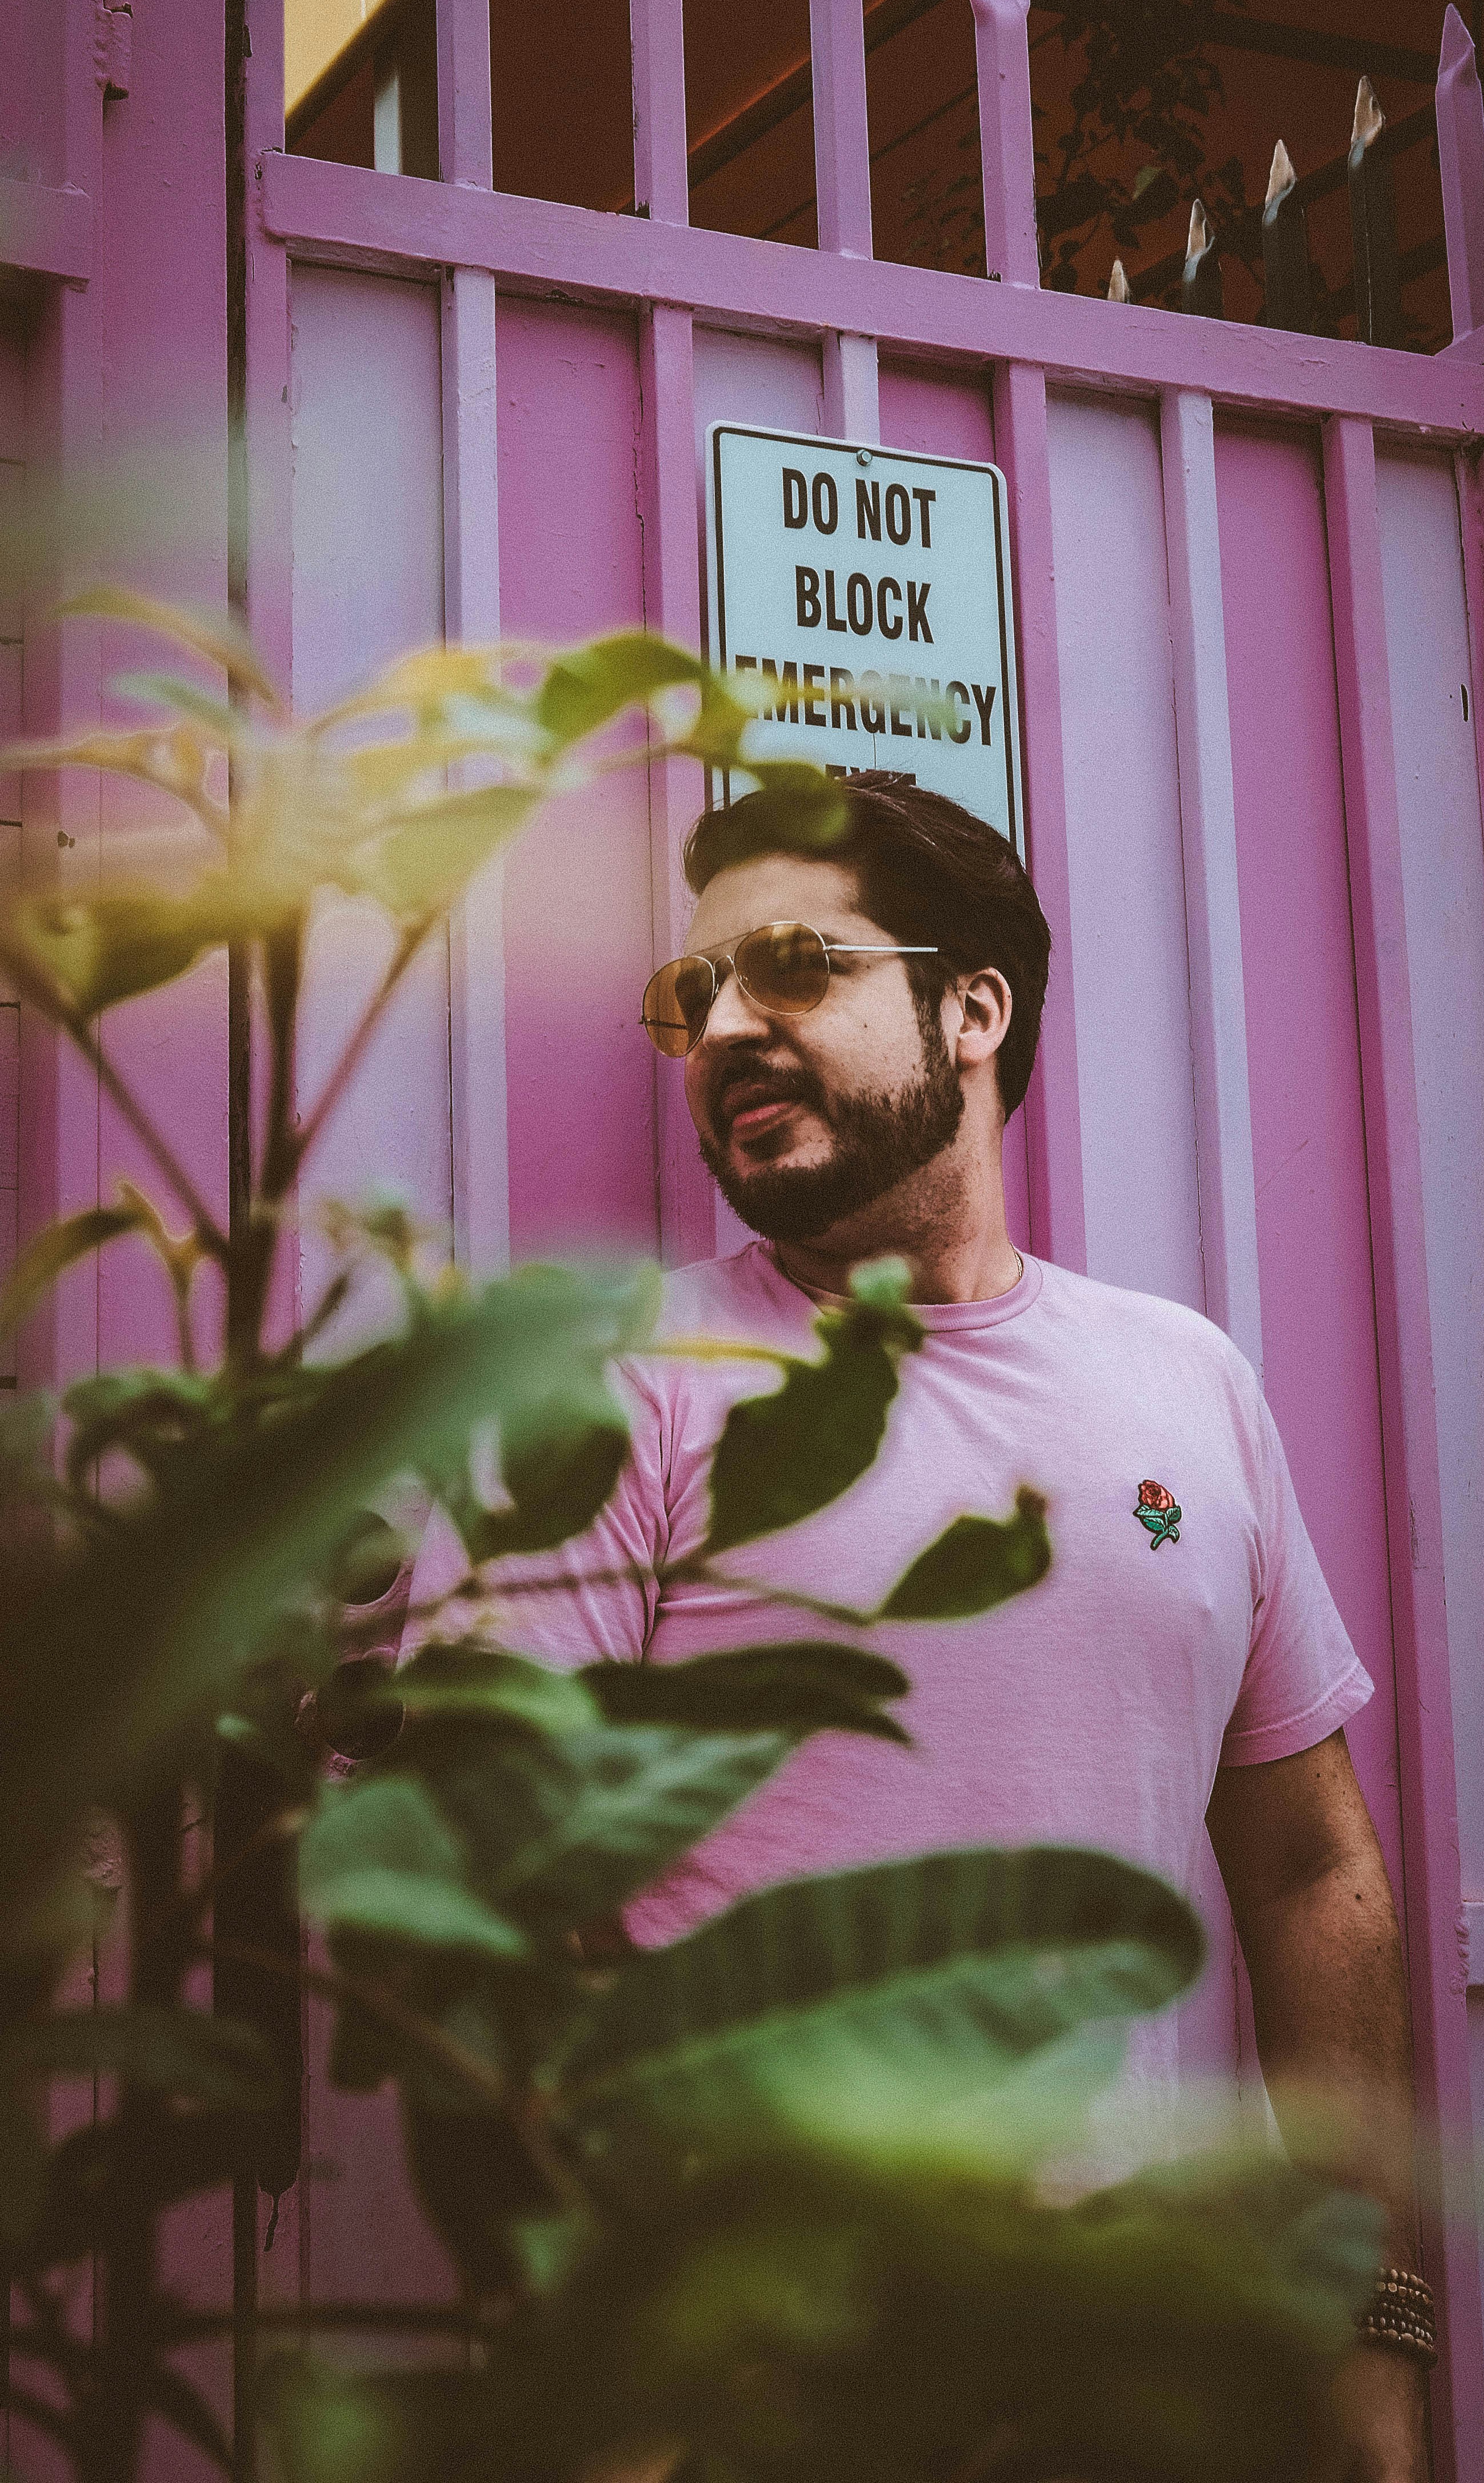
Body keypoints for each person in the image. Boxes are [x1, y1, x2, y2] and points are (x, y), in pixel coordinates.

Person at [410, 771, 1430, 2483]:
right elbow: (499, 1892)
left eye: (795, 966)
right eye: (695, 993)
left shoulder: (1189, 1384)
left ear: (975, 1008)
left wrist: (1370, 2332)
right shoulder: (620, 1384)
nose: (723, 1026)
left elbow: (1311, 1865)